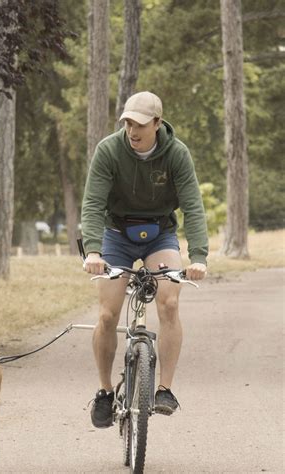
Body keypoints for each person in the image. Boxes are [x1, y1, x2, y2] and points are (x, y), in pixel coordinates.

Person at [81, 91, 208, 428]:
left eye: (138, 124)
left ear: (157, 123)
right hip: (117, 235)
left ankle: (164, 390)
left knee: (169, 304)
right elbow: (93, 202)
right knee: (107, 314)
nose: (131, 131)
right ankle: (106, 392)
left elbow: (193, 206)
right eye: (127, 123)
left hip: (160, 235)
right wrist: (93, 251)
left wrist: (198, 257)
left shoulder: (176, 154)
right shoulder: (109, 150)